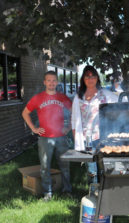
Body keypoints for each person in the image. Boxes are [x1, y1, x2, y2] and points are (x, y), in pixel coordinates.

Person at [22, 71, 72, 201]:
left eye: (54, 80)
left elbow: (74, 112)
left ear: (57, 82)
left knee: (65, 165)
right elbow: (25, 113)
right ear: (44, 82)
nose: (51, 83)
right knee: (45, 166)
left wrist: (69, 127)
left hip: (61, 137)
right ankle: (47, 193)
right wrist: (34, 128)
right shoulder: (38, 98)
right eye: (49, 80)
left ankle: (67, 190)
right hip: (45, 138)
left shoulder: (63, 97)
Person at [72, 65, 118, 184]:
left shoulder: (105, 94)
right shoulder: (78, 97)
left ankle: (105, 197)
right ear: (83, 79)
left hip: (103, 138)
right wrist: (77, 141)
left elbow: (121, 105)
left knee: (105, 169)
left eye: (93, 76)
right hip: (87, 139)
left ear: (97, 78)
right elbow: (74, 121)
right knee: (92, 171)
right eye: (87, 76)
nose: (90, 79)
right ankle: (94, 196)